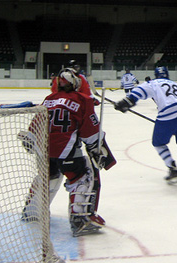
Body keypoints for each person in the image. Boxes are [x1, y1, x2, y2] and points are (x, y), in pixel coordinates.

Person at [21, 68, 116, 237]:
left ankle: (32, 211)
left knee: (48, 176)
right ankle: (80, 220)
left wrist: (30, 138)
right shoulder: (82, 100)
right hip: (67, 150)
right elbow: (90, 132)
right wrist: (98, 148)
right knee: (83, 176)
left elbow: (36, 124)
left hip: (44, 150)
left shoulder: (49, 99)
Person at [114, 66, 177, 183]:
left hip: (168, 115)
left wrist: (126, 102)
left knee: (158, 143)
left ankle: (172, 168)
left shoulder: (153, 83)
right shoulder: (175, 84)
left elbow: (139, 91)